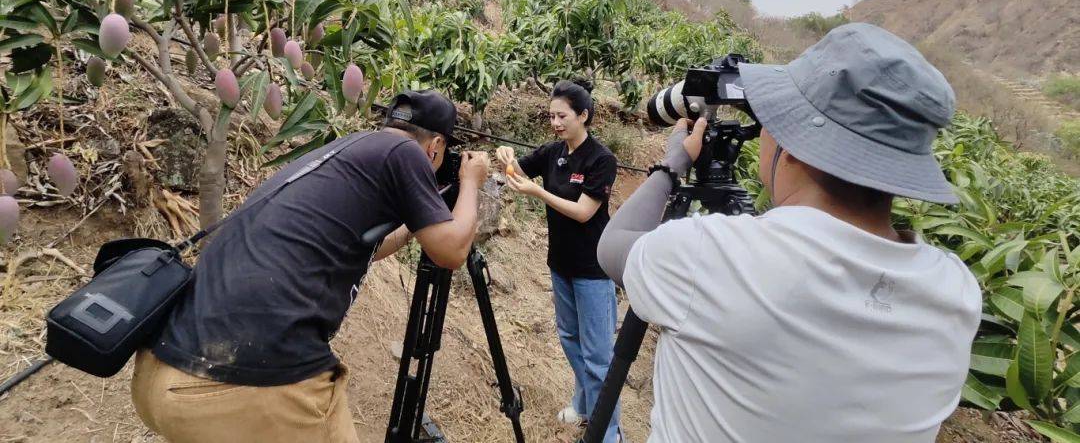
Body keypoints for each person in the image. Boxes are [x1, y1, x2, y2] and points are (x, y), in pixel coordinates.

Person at [597, 23, 982, 442]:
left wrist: (673, 165)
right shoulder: (955, 293)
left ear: (795, 144)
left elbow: (613, 244)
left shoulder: (712, 255)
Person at [130, 90, 491, 443]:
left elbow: (368, 246)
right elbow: (452, 252)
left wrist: (421, 219)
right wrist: (471, 182)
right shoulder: (407, 153)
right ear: (436, 146)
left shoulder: (352, 148)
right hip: (241, 383)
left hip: (163, 373)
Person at [496, 79, 622, 442]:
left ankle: (609, 433)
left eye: (562, 116)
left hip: (593, 269)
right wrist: (506, 157)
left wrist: (538, 191)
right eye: (551, 116)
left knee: (599, 356)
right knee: (570, 337)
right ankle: (584, 406)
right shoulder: (554, 153)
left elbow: (584, 212)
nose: (555, 122)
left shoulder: (601, 160)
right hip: (561, 264)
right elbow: (515, 171)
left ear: (583, 115)